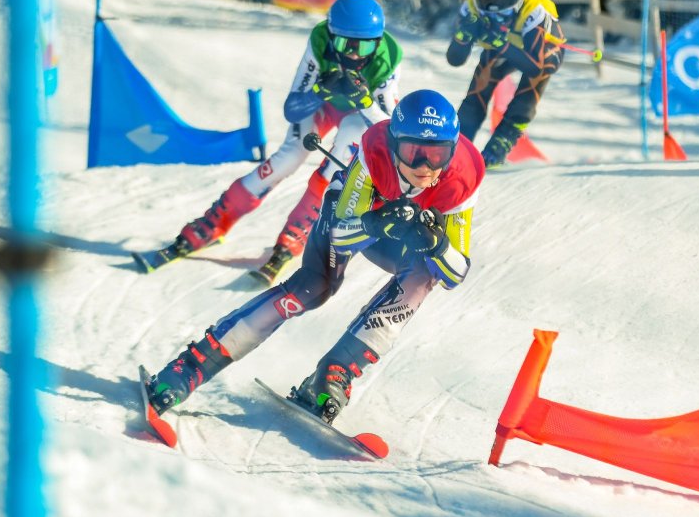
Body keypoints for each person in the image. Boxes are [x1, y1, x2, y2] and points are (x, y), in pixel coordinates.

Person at [141, 89, 485, 425]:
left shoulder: (463, 175)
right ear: (395, 144)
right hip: (351, 217)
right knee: (313, 287)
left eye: (437, 155)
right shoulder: (376, 149)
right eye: (414, 152)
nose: (425, 167)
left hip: (398, 237)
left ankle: (335, 372)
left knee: (425, 273)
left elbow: (455, 273)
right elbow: (340, 232)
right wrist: (376, 221)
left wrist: (438, 246)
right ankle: (195, 363)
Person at [154, 0, 403, 284]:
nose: (354, 54)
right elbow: (292, 109)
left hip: (357, 117)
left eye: (364, 45)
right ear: (332, 34)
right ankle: (215, 221)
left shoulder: (389, 57)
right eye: (345, 43)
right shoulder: (321, 40)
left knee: (332, 171)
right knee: (286, 158)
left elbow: (386, 128)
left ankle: (293, 238)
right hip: (323, 106)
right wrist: (320, 91)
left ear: (378, 42)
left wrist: (363, 100)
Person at [446, 0, 564, 169]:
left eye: (501, 15)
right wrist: (462, 37)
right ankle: (457, 144)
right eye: (487, 14)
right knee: (479, 87)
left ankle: (503, 140)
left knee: (538, 77)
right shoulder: (471, 8)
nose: (494, 19)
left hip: (541, 51)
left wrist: (500, 42)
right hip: (504, 48)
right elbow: (455, 60)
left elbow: (534, 66)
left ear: (516, 6)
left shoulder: (533, 9)